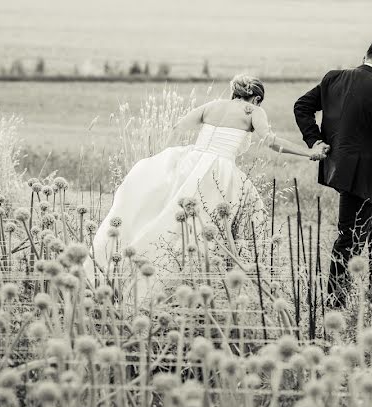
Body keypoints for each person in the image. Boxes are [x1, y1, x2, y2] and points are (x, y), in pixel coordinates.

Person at [89, 75, 327, 299]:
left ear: (234, 93)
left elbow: (179, 126)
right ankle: (197, 282)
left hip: (190, 162)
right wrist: (308, 153)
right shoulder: (254, 111)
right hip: (219, 171)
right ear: (255, 98)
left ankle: (123, 273)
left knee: (170, 218)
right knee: (207, 229)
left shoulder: (212, 105)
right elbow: (271, 142)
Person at [294, 40, 372, 306]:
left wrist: (315, 140)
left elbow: (301, 106)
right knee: (349, 237)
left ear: (365, 56)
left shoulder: (333, 78)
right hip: (360, 173)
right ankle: (334, 301)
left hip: (337, 166)